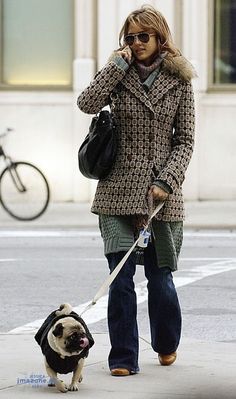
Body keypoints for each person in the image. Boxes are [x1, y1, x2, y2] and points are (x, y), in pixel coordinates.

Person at [77, 5, 196, 376]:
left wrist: (167, 180)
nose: (137, 42)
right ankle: (124, 357)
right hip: (115, 192)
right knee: (120, 277)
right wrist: (115, 65)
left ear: (160, 37)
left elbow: (186, 141)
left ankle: (165, 343)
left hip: (162, 196)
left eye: (143, 36)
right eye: (130, 37)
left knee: (161, 279)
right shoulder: (119, 73)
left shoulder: (179, 80)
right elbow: (87, 103)